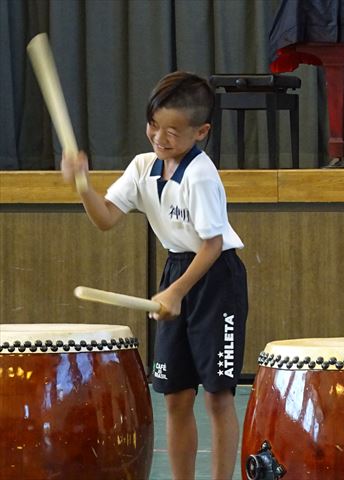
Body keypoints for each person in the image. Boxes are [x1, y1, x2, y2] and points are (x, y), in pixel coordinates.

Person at [61, 71, 248, 480]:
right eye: (153, 126)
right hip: (177, 271)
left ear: (201, 131)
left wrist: (176, 292)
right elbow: (106, 218)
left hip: (216, 279)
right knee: (176, 397)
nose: (160, 138)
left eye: (173, 132)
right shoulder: (143, 167)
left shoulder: (200, 175)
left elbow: (213, 246)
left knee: (218, 395)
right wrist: (82, 185)